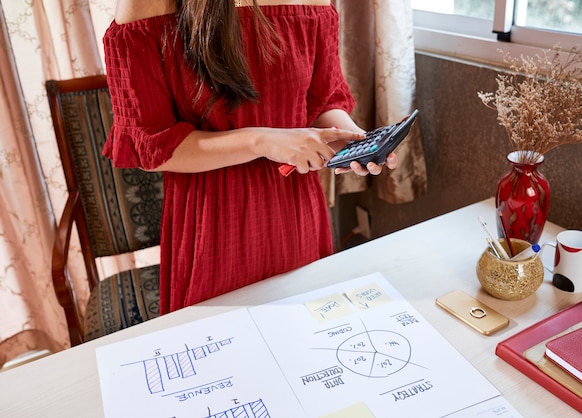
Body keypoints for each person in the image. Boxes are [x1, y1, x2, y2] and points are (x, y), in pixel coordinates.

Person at [103, 0, 399, 314]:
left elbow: (323, 101)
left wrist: (353, 140)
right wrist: (261, 141)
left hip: (296, 213)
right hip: (213, 224)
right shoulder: (145, 6)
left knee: (310, 341)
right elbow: (153, 148)